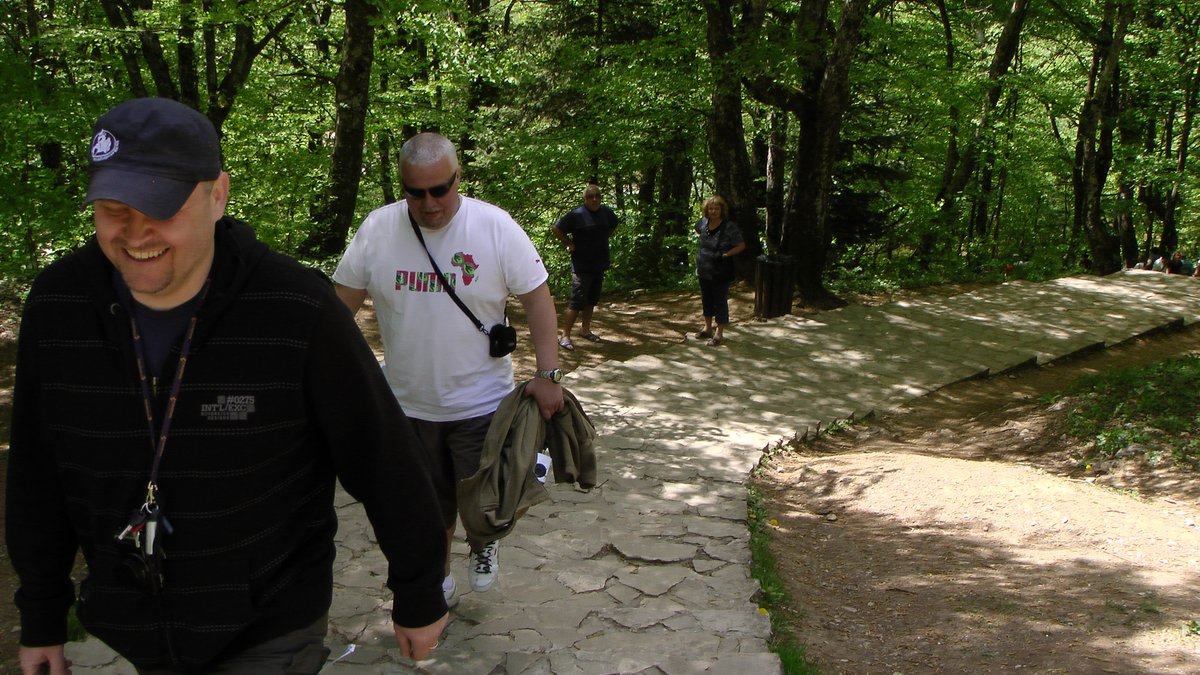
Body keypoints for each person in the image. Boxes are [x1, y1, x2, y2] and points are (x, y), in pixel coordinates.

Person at [6, 98, 449, 675]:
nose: (135, 232)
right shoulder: (58, 308)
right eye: (113, 209)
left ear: (218, 196)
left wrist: (418, 591)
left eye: (160, 207)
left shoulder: (296, 308)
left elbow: (383, 458)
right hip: (128, 617)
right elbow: (37, 472)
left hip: (269, 623)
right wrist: (42, 613)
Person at [333, 132, 564, 609]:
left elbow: (538, 298)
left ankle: (483, 544)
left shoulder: (494, 227)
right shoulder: (378, 230)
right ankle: (436, 580)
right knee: (425, 511)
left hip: (481, 404)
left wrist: (548, 375)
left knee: (484, 503)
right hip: (407, 406)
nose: (430, 203)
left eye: (440, 189)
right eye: (415, 192)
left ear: (458, 177)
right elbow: (338, 310)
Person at [551, 184, 618, 350]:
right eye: (590, 196)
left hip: (599, 263)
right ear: (585, 199)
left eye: (597, 196)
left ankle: (585, 330)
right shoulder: (577, 214)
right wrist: (569, 243)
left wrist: (602, 238)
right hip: (581, 265)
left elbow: (613, 225)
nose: (594, 199)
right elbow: (556, 228)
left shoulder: (606, 213)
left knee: (591, 300)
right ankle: (565, 335)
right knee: (577, 301)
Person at [694, 195, 746, 346]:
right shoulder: (703, 222)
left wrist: (726, 254)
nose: (713, 211)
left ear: (722, 210)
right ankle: (707, 328)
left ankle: (719, 334)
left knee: (720, 301)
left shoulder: (729, 227)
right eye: (711, 208)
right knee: (706, 299)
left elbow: (741, 245)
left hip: (720, 270)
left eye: (716, 209)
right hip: (703, 268)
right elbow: (698, 230)